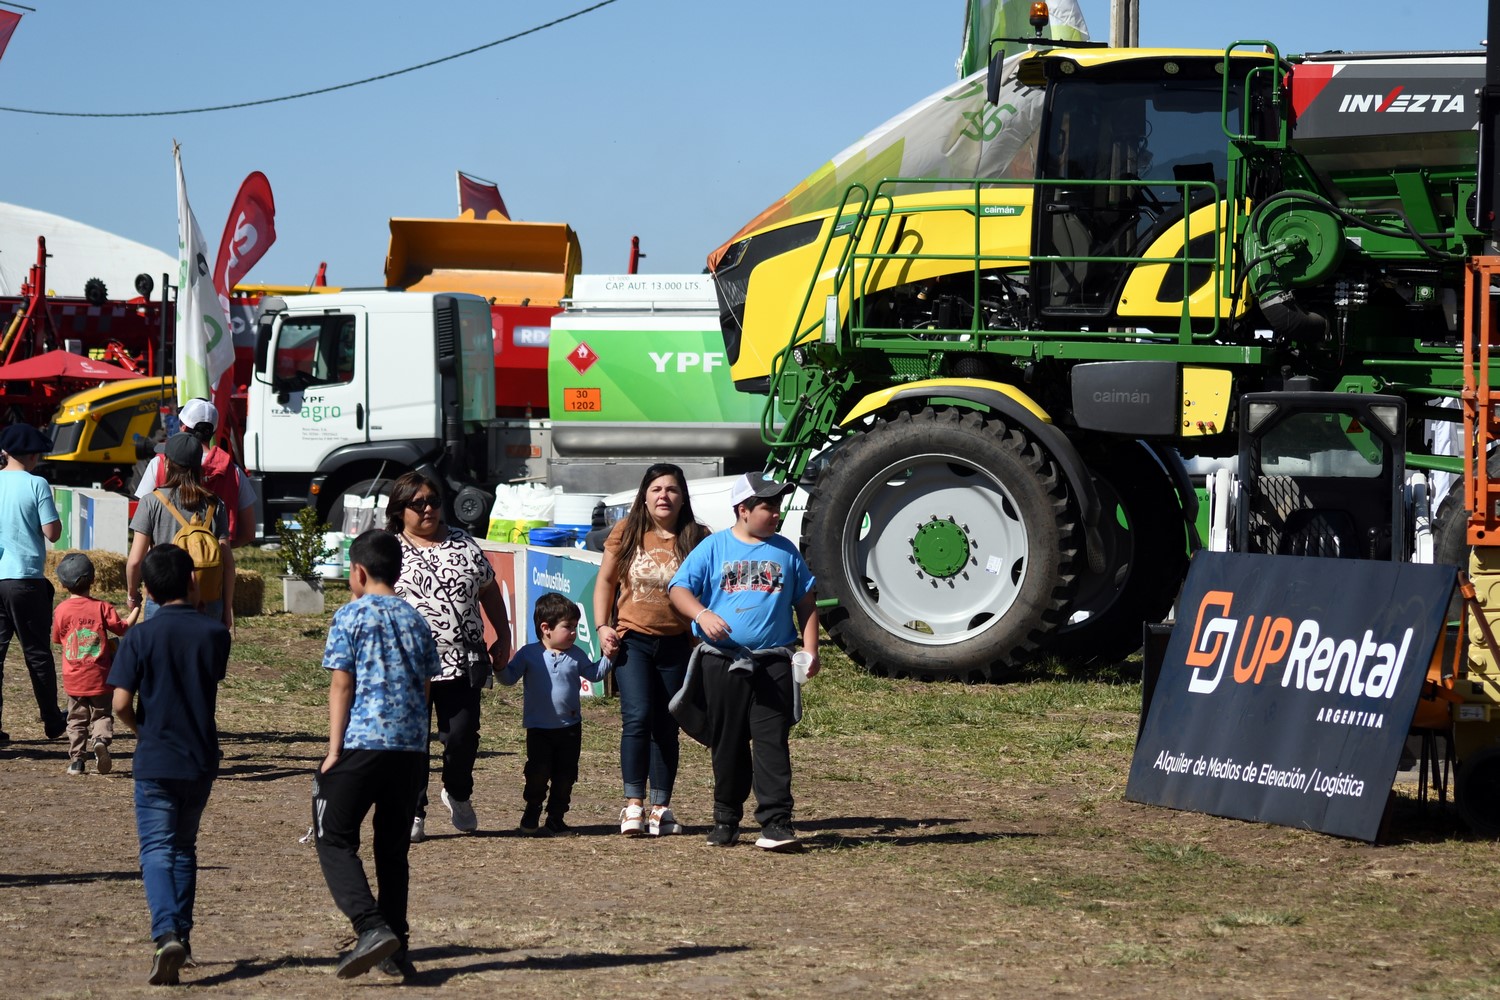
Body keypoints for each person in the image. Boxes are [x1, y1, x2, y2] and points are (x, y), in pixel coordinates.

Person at [312, 529, 441, 980]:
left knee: (333, 835)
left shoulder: (351, 616)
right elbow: (425, 686)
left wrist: (334, 750)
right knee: (391, 848)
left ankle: (370, 927)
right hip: (409, 749)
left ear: (359, 572)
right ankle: (395, 948)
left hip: (363, 742)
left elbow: (342, 684)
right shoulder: (416, 619)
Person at [668, 472, 819, 853]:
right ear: (743, 510)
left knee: (772, 742)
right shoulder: (714, 547)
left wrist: (811, 650)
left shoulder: (786, 551)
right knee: (728, 741)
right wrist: (702, 614)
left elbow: (806, 602)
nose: (776, 513)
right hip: (722, 662)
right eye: (768, 506)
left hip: (774, 664)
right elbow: (679, 589)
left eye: (778, 506)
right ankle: (726, 818)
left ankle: (776, 822)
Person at [109, 544, 231, 985]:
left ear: (146, 591)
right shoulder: (215, 634)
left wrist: (140, 731)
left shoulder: (139, 637)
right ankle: (183, 938)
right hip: (200, 758)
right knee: (184, 847)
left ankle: (166, 935)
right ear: (193, 581)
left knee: (157, 850)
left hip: (156, 759)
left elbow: (120, 703)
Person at [387, 471, 510, 841]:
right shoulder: (388, 549)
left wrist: (503, 635)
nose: (428, 509)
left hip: (461, 661)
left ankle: (457, 791)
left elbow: (489, 590)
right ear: (400, 509)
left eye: (434, 501)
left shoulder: (464, 543)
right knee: (413, 739)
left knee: (462, 735)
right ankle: (413, 810)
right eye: (418, 503)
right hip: (406, 665)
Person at [594, 463, 708, 837]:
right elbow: (605, 581)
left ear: (683, 497)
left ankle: (660, 808)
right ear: (644, 495)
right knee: (638, 717)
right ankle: (633, 805)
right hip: (633, 641)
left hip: (678, 644)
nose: (664, 496)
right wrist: (603, 626)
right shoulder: (626, 531)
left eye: (672, 489)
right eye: (656, 489)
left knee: (667, 725)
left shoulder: (698, 537)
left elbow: (710, 588)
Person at [498, 591, 617, 836]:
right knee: (537, 772)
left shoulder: (576, 654)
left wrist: (608, 657)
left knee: (565, 776)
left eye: (575, 627)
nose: (573, 632)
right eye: (568, 627)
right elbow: (509, 678)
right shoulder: (529, 654)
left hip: (569, 728)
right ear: (546, 628)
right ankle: (532, 809)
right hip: (539, 729)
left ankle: (556, 817)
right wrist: (499, 666)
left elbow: (594, 674)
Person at [126, 432, 236, 626]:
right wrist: (226, 608)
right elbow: (227, 564)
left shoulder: (151, 502)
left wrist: (132, 594)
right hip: (207, 602)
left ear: (167, 464)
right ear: (198, 466)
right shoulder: (215, 504)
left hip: (162, 601)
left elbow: (135, 561)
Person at [0, 422, 65, 742]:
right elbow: (52, 532)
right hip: (25, 578)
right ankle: (52, 720)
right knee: (37, 653)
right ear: (33, 456)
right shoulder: (37, 484)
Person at [135, 397, 258, 547]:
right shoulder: (234, 471)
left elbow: (142, 521)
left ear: (183, 428)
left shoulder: (161, 463)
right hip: (212, 560)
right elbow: (249, 533)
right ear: (213, 432)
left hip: (165, 557)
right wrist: (215, 551)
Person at [52, 552, 130, 776]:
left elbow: (57, 638)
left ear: (63, 584)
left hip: (74, 678)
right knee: (102, 714)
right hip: (100, 676)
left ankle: (77, 760)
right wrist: (135, 612)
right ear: (93, 580)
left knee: (76, 719)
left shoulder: (61, 610)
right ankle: (100, 741)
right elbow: (122, 629)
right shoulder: (102, 607)